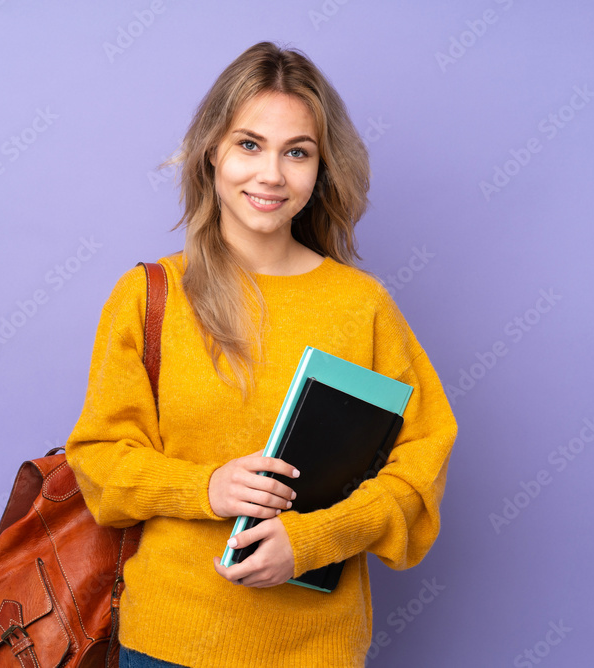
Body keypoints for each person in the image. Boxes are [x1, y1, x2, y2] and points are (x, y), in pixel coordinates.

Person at [65, 41, 457, 668]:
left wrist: (313, 539)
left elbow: (421, 468)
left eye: (296, 152)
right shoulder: (148, 295)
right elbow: (100, 462)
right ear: (211, 153)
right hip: (169, 643)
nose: (271, 175)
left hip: (315, 650)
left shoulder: (361, 306)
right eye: (249, 144)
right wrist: (207, 487)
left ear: (322, 169)